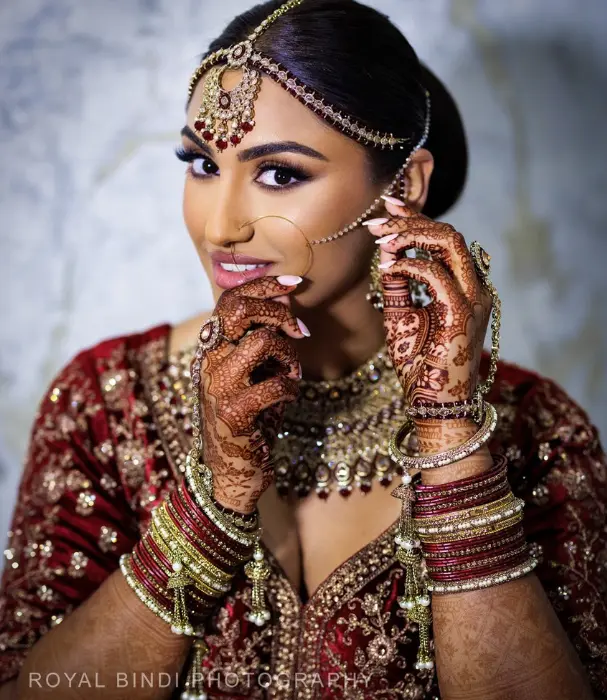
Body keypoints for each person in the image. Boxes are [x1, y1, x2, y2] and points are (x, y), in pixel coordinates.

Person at [0, 0, 605, 698]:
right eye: (200, 162)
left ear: (401, 187)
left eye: (280, 173)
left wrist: (448, 433)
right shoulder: (105, 404)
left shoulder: (536, 429)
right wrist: (211, 506)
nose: (220, 226)